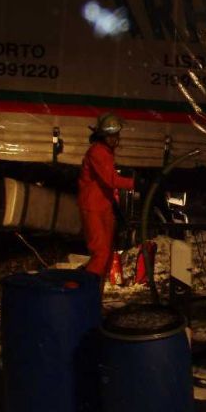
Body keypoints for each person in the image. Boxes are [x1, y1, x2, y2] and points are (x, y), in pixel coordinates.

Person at [78, 113, 135, 293]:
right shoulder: (97, 151)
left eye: (116, 134)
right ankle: (85, 293)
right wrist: (134, 183)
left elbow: (107, 184)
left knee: (106, 255)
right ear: (103, 135)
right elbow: (110, 180)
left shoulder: (105, 152)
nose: (115, 139)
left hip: (103, 207)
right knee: (101, 254)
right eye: (111, 135)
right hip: (93, 208)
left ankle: (94, 296)